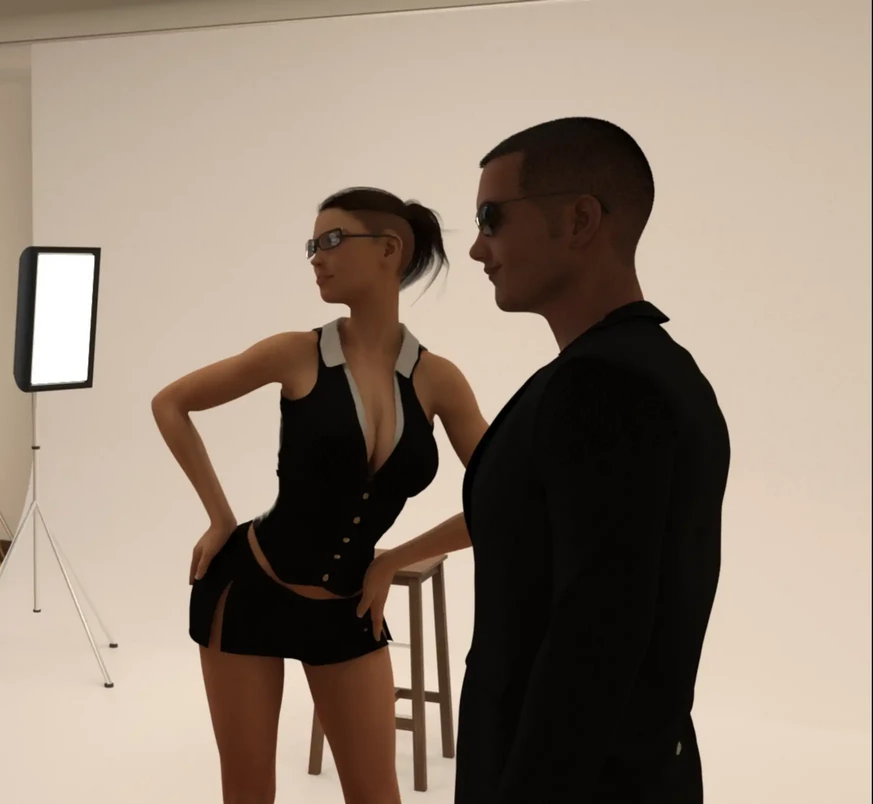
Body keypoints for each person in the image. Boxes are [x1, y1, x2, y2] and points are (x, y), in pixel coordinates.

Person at [385, 117, 730, 803]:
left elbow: (594, 643)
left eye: (491, 218)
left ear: (579, 220)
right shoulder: (651, 368)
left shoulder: (604, 386)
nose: (477, 248)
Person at [151, 187, 491, 803]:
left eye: (332, 240)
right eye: (311, 244)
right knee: (249, 794)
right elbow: (171, 403)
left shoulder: (439, 379)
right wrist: (219, 518)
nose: (316, 257)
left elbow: (505, 500)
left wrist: (391, 559)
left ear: (389, 249)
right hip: (248, 589)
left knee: (376, 795)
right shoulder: (296, 352)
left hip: (348, 608)